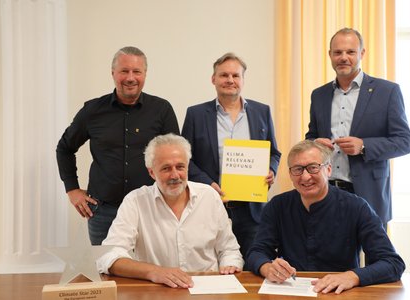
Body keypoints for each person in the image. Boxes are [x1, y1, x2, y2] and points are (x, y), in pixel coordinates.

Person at [56, 46, 180, 245]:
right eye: (124, 71)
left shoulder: (161, 110)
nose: (130, 77)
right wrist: (72, 189)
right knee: (106, 271)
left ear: (145, 74)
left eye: (136, 71)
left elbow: (176, 157)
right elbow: (64, 148)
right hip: (103, 211)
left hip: (150, 209)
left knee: (149, 271)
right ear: (113, 73)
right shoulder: (92, 110)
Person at [247, 140, 405, 294]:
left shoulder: (356, 207)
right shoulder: (278, 206)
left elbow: (392, 263)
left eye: (313, 168)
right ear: (290, 174)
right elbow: (256, 252)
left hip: (340, 293)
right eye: (298, 169)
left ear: (328, 170)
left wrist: (353, 276)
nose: (305, 177)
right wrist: (267, 267)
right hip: (292, 291)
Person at [97, 134, 243, 288]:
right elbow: (108, 256)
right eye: (166, 168)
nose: (175, 175)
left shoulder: (209, 196)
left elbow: (229, 248)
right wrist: (155, 272)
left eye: (180, 167)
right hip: (158, 291)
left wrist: (230, 265)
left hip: (206, 291)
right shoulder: (135, 201)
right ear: (151, 172)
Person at [305, 28, 410, 228]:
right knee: (329, 257)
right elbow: (311, 137)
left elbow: (405, 142)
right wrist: (315, 145)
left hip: (369, 194)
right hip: (326, 192)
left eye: (350, 52)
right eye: (337, 52)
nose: (343, 57)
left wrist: (364, 146)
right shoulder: (318, 95)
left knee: (373, 258)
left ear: (362, 53)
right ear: (330, 55)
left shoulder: (387, 91)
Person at [181, 53, 281, 268]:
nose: (230, 80)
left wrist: (271, 170)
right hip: (210, 205)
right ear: (213, 79)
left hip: (251, 209)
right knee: (211, 266)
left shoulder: (261, 111)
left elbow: (274, 152)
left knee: (254, 265)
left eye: (235, 75)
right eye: (223, 75)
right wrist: (208, 185)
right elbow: (185, 159)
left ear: (243, 80)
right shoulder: (196, 114)